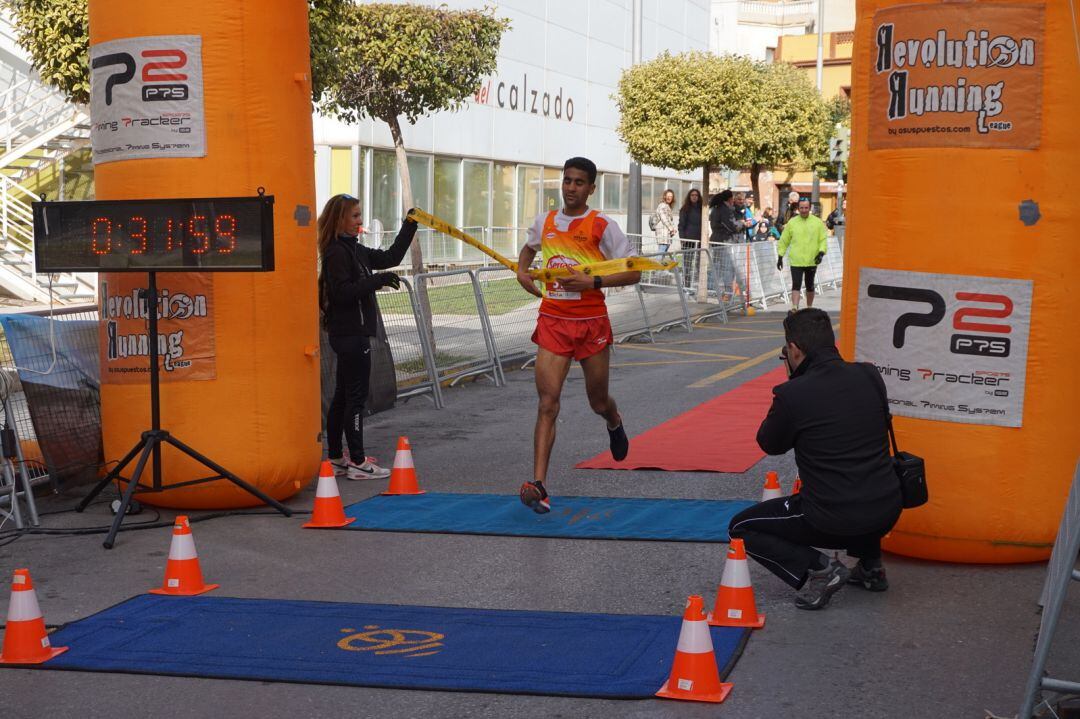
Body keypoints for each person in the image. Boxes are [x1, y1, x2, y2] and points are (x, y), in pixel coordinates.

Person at [728, 309, 901, 610]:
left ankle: (821, 569)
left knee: (742, 527)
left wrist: (789, 384)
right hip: (888, 508)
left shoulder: (793, 393)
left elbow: (770, 443)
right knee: (860, 478)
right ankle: (871, 567)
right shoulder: (870, 375)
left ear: (793, 349)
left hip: (832, 517)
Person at [515, 157, 640, 513]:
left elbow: (633, 272)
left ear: (591, 188)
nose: (571, 187)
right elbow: (528, 249)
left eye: (579, 182)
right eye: (567, 181)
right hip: (554, 321)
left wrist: (593, 281)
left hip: (591, 323)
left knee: (597, 401)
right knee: (547, 403)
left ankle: (614, 420)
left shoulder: (602, 225)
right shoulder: (547, 221)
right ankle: (538, 484)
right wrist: (523, 273)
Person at [318, 194, 418, 480]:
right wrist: (376, 281)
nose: (360, 220)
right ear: (339, 220)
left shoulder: (355, 249)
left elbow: (390, 258)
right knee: (355, 399)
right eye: (354, 216)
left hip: (352, 334)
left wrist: (409, 226)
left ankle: (337, 457)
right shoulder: (337, 252)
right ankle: (359, 463)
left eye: (360, 215)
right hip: (349, 334)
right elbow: (342, 293)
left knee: (341, 396)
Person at [776, 197, 828, 311]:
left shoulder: (817, 222)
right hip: (796, 260)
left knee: (810, 285)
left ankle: (809, 307)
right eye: (801, 208)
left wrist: (821, 252)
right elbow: (784, 240)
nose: (804, 210)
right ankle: (795, 307)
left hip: (812, 259)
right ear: (798, 208)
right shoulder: (792, 222)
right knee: (796, 284)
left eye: (806, 208)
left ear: (809, 208)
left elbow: (823, 239)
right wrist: (780, 256)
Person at [654, 188, 679, 253]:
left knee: (662, 254)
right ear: (664, 196)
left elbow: (669, 220)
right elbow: (664, 218)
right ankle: (656, 263)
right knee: (660, 254)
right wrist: (671, 229)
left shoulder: (667, 206)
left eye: (671, 196)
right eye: (668, 196)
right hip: (663, 234)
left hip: (666, 234)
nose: (669, 198)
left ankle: (658, 263)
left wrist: (673, 229)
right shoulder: (662, 205)